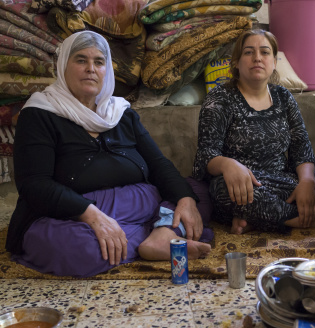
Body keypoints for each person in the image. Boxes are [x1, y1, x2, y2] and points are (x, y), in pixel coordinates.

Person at [6, 31, 212, 277]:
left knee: (196, 193)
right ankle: (161, 231)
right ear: (63, 67)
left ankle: (159, 235)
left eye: (99, 62)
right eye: (81, 60)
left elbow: (158, 164)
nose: (91, 69)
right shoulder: (40, 113)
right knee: (79, 249)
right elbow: (34, 185)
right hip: (74, 214)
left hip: (140, 202)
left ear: (107, 71)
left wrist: (185, 199)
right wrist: (91, 215)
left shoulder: (121, 113)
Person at [192, 29, 315, 234]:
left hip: (284, 183)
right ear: (236, 62)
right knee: (221, 189)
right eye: (248, 52)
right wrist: (228, 164)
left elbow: (301, 147)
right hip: (245, 189)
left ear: (274, 62)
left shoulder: (283, 97)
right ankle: (305, 220)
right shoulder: (220, 99)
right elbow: (205, 156)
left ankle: (260, 220)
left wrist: (307, 183)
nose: (257, 58)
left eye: (264, 52)